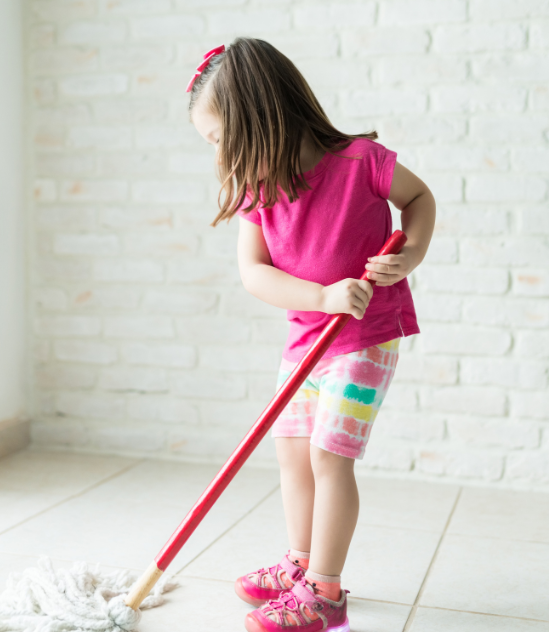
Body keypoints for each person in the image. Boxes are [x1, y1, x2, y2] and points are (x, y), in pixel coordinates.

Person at [186, 38, 436, 632]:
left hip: (366, 336)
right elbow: (255, 273)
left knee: (329, 456)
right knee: (292, 453)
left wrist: (412, 254)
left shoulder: (360, 163)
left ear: (260, 120)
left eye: (220, 139)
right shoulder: (258, 188)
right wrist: (321, 298)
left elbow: (420, 199)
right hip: (306, 340)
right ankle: (299, 565)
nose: (220, 156)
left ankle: (324, 593)